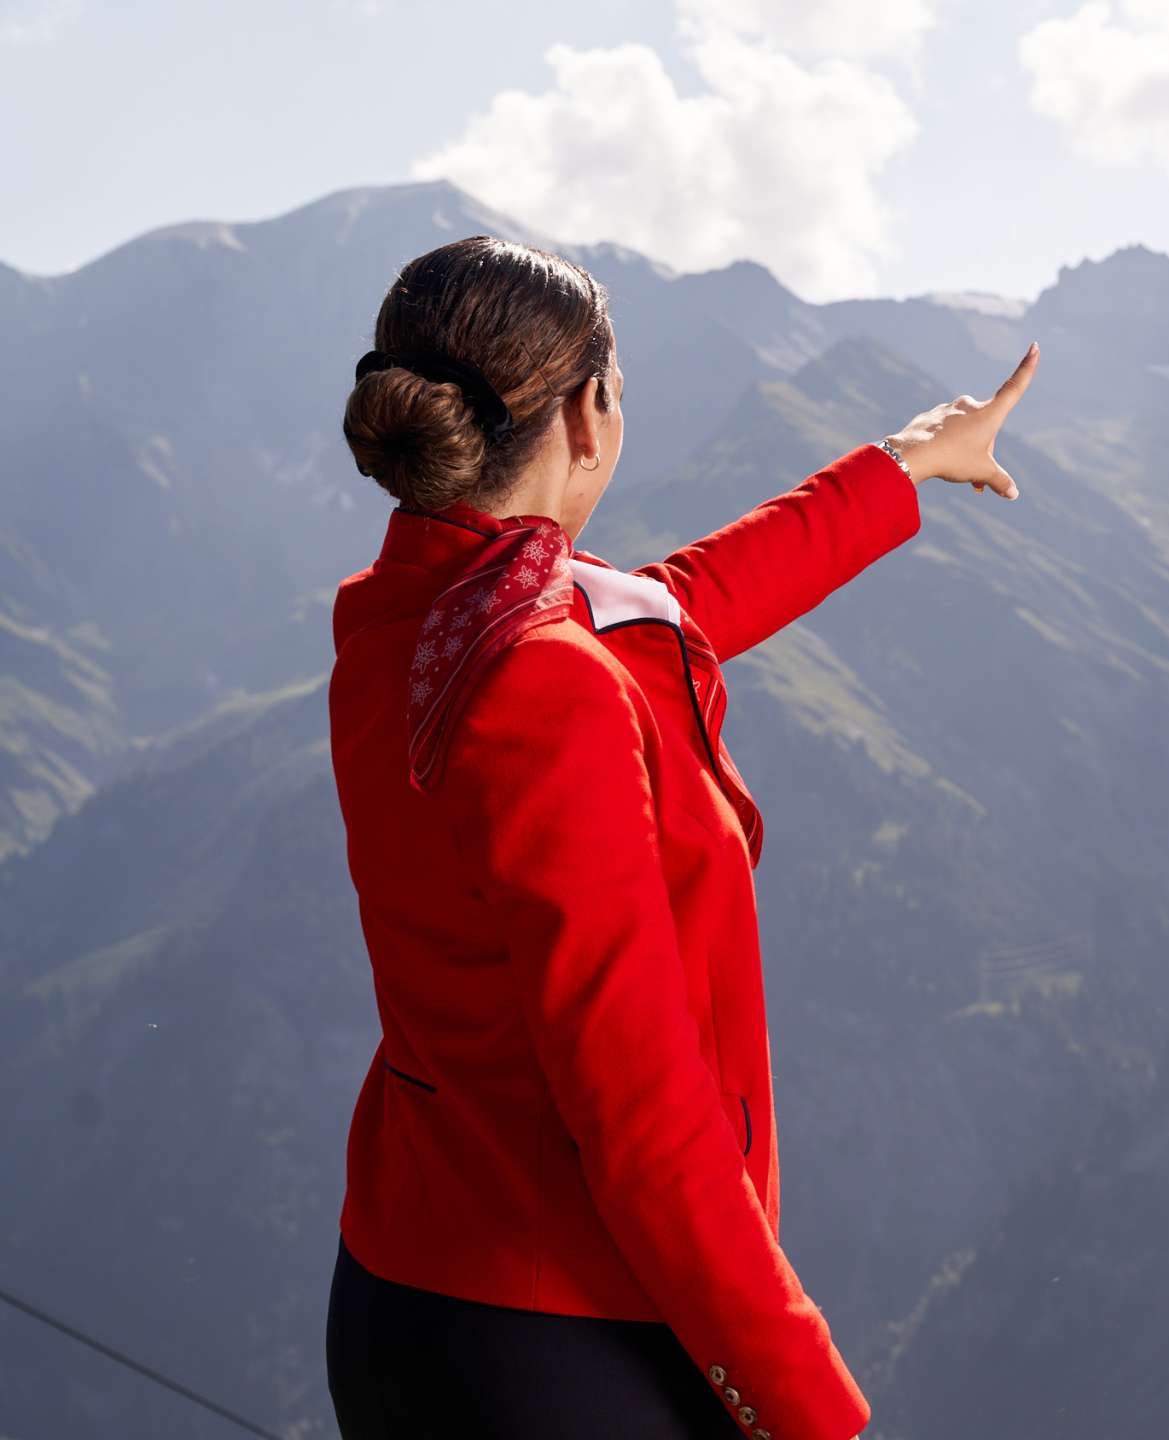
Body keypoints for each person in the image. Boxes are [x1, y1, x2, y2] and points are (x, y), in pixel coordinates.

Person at [322, 234, 1035, 1439]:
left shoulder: (413, 619)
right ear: (590, 417)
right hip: (559, 1342)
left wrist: (904, 466)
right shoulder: (542, 678)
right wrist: (816, 1416)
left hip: (411, 1293)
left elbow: (671, 609)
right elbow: (644, 1120)